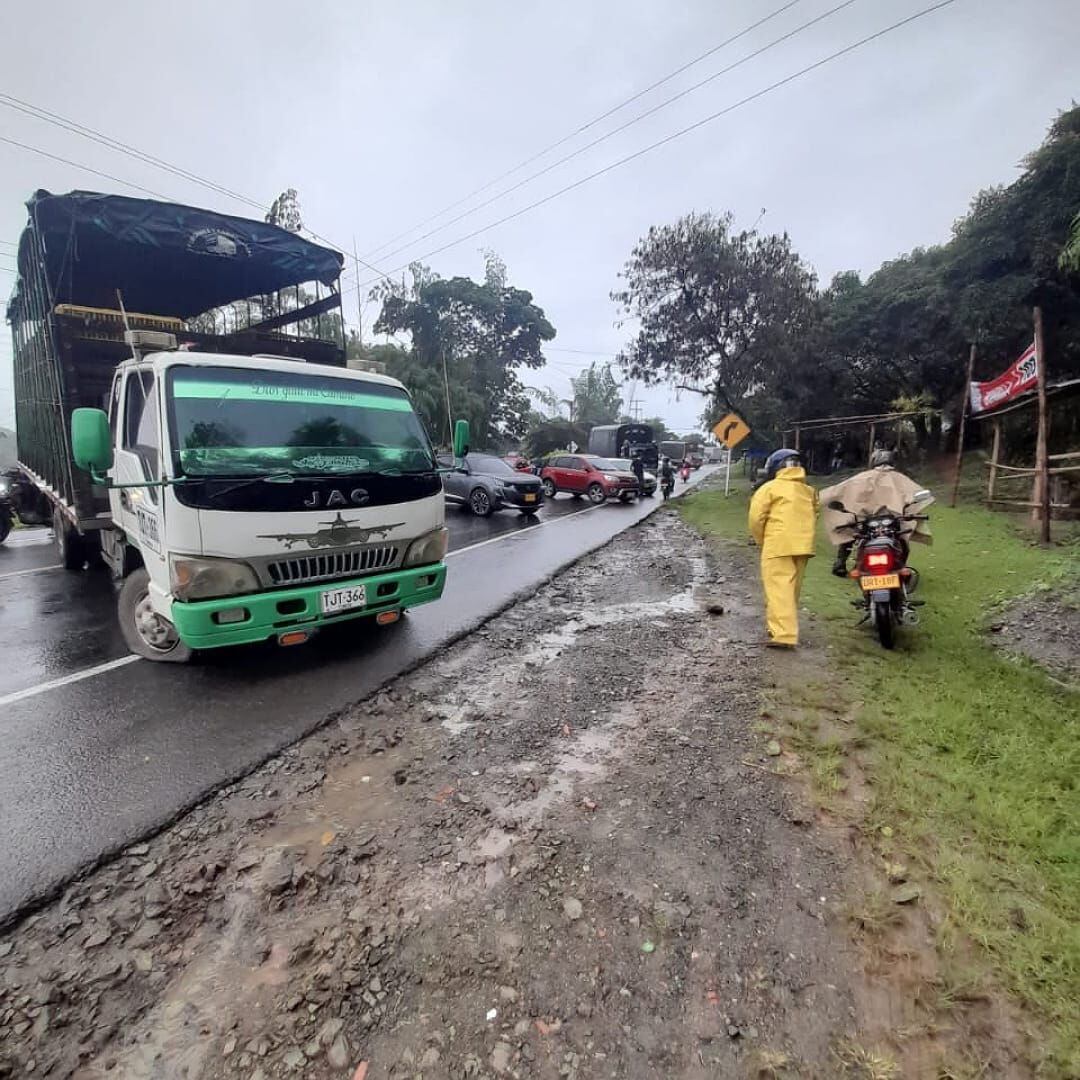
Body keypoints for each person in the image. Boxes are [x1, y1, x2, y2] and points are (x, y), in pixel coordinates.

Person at [821, 448, 933, 577]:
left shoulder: (862, 477)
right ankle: (900, 566)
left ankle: (841, 563)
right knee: (903, 539)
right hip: (892, 519)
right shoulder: (901, 479)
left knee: (850, 532)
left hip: (867, 518)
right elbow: (914, 496)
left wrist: (822, 497)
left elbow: (839, 491)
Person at [748, 449, 819, 648]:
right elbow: (815, 514)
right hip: (803, 546)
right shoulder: (809, 491)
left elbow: (756, 518)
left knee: (779, 589)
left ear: (776, 466)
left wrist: (761, 540)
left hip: (777, 544)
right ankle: (779, 627)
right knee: (791, 590)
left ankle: (784, 635)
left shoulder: (770, 488)